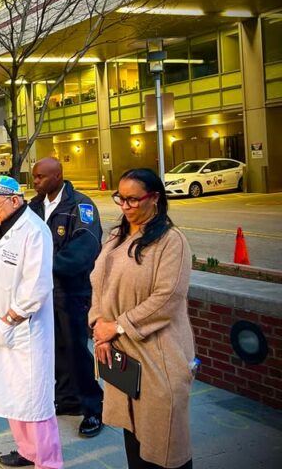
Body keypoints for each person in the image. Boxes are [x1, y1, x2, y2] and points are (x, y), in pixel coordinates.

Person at [90, 169, 195, 469]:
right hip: (121, 355)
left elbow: (167, 298)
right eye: (120, 198)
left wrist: (117, 326)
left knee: (164, 446)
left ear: (155, 198)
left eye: (133, 200)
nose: (124, 207)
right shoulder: (116, 236)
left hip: (158, 356)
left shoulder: (171, 242)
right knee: (133, 441)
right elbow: (98, 283)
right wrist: (100, 326)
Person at [0, 176, 63, 469]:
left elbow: (37, 285)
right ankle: (27, 451)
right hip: (3, 327)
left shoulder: (34, 231)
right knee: (14, 395)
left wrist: (10, 318)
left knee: (35, 401)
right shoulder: (6, 227)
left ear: (15, 200)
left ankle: (48, 462)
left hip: (24, 329)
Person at [28, 158, 104, 438]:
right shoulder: (34, 206)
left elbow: (85, 248)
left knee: (75, 350)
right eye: (34, 177)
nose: (35, 182)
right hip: (43, 292)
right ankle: (68, 399)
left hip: (70, 291)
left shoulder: (80, 207)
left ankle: (93, 407)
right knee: (53, 350)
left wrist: (42, 267)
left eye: (40, 177)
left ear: (58, 176)